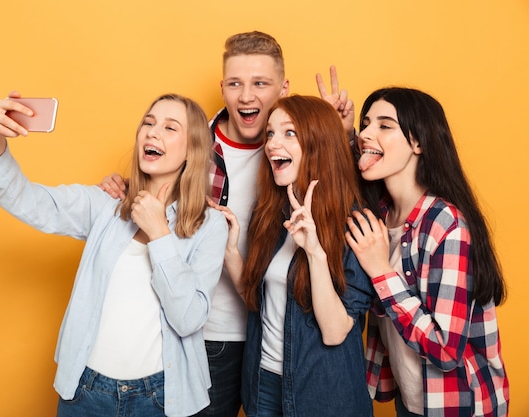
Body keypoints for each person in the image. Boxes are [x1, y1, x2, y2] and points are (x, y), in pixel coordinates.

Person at [98, 31, 355, 417]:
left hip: (271, 344)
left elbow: (342, 196)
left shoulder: (293, 160)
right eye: (235, 83)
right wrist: (122, 190)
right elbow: (149, 189)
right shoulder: (191, 146)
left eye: (260, 84)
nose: (247, 96)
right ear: (222, 88)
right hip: (201, 334)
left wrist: (339, 135)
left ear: (284, 87)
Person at [0, 92, 229, 417]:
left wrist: (160, 234)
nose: (153, 132)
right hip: (86, 391)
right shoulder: (106, 205)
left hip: (159, 397)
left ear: (192, 149)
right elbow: (25, 200)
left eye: (170, 128)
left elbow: (189, 320)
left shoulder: (209, 225)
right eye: (149, 123)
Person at [345, 87, 509, 417]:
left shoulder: (445, 224)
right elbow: (351, 173)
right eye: (365, 124)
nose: (366, 134)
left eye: (384, 125)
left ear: (418, 143)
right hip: (412, 402)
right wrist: (343, 131)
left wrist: (381, 273)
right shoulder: (381, 215)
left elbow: (447, 349)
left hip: (460, 405)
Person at [212, 95, 375, 416]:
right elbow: (257, 302)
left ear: (319, 145)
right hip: (263, 386)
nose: (272, 144)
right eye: (270, 133)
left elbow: (335, 331)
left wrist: (313, 251)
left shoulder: (354, 223)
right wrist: (230, 250)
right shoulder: (272, 215)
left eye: (289, 133)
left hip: (321, 395)